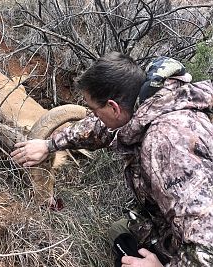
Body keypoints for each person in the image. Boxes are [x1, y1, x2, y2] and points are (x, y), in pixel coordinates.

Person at [11, 52, 213, 266]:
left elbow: (207, 244)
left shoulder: (167, 144)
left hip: (197, 250)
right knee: (119, 231)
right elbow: (102, 128)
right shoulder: (149, 103)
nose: (94, 117)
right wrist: (49, 145)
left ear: (113, 107)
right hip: (172, 227)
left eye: (95, 111)